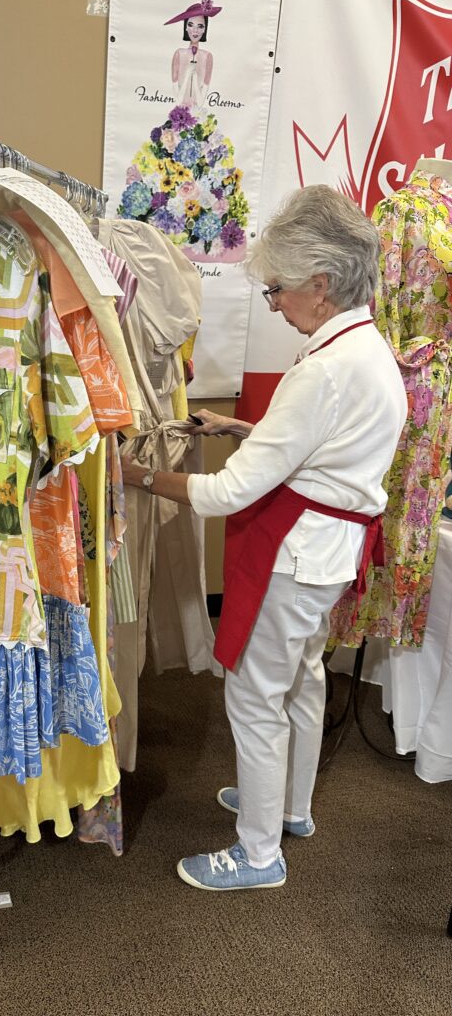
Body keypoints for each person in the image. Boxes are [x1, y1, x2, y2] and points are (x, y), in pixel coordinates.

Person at [122, 184, 407, 890]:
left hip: (300, 553)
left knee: (253, 696)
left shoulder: (325, 371)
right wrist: (246, 431)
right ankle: (290, 808)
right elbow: (325, 448)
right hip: (331, 552)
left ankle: (257, 855)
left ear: (322, 282)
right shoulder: (367, 350)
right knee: (303, 680)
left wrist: (136, 476)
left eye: (276, 290)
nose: (273, 303)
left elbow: (225, 494)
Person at [166, 0, 221, 108]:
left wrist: (195, 80)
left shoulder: (207, 57)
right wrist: (187, 76)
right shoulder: (178, 54)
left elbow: (200, 103)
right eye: (191, 25)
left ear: (205, 29)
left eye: (200, 26)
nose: (195, 31)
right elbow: (178, 101)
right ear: (186, 27)